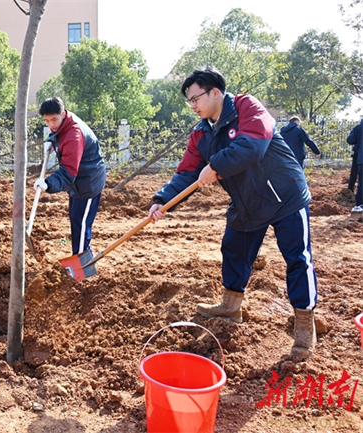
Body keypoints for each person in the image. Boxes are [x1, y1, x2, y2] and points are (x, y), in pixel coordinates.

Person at [147, 66, 318, 358]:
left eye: (196, 98)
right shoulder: (200, 134)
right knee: (234, 249)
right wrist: (163, 199)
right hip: (246, 201)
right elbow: (187, 173)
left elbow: (252, 146)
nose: (193, 106)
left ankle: (304, 324)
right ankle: (231, 306)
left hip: (284, 195)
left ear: (215, 92)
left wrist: (215, 166)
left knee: (297, 259)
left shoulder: (247, 107)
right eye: (189, 101)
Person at [34, 97, 106, 258]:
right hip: (80, 179)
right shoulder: (65, 123)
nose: (51, 124)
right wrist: (52, 140)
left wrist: (48, 183)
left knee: (81, 223)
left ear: (63, 113)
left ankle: (81, 262)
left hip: (88, 181)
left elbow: (68, 172)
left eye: (54, 119)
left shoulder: (74, 136)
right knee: (76, 218)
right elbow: (59, 132)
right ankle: (81, 257)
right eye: (47, 121)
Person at [346, 119, 363, 212]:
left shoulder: (358, 128)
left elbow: (350, 140)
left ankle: (359, 204)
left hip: (361, 158)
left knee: (361, 182)